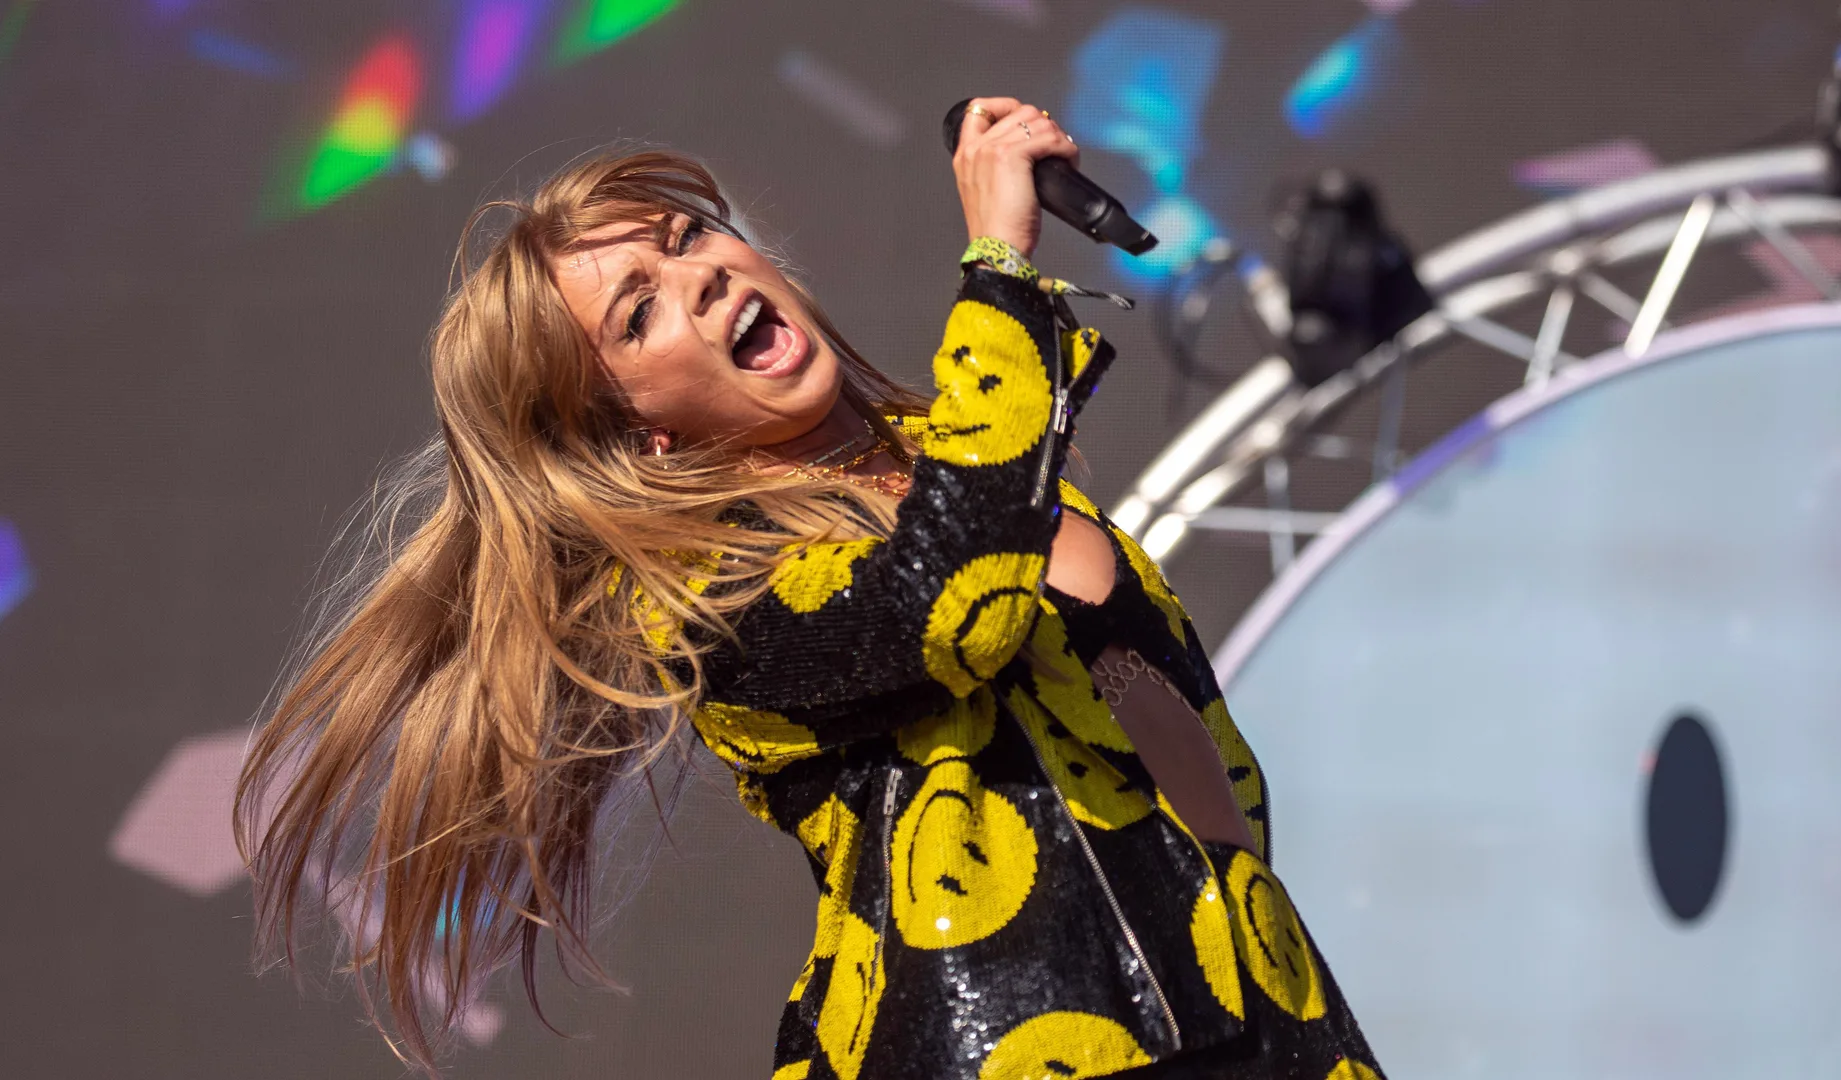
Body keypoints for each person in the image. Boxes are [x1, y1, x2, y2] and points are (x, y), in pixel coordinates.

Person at [236, 97, 1383, 1080]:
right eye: (640, 313)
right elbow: (952, 602)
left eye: (691, 240)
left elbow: (1191, 748)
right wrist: (1000, 265)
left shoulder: (971, 454)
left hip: (1256, 1022)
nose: (701, 278)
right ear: (640, 440)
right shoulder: (707, 600)